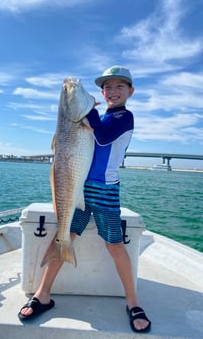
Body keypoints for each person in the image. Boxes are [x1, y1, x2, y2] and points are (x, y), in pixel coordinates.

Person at [18, 65, 151, 333]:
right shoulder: (98, 116)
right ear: (102, 91)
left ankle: (133, 301)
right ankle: (42, 295)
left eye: (119, 86)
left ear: (130, 91)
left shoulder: (124, 117)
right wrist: (85, 111)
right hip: (79, 188)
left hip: (105, 190)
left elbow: (102, 135)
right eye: (108, 87)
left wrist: (85, 108)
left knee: (115, 245)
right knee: (63, 235)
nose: (113, 91)